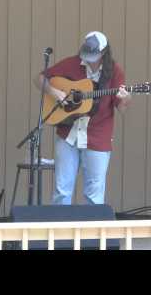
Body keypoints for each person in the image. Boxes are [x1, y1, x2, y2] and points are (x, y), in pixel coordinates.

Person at [34, 31, 132, 205]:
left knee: (94, 193)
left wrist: (126, 98)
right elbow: (39, 78)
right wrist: (55, 93)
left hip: (98, 137)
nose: (89, 58)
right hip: (68, 135)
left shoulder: (114, 72)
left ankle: (92, 231)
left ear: (103, 52)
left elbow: (122, 108)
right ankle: (60, 230)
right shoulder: (71, 63)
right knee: (61, 190)